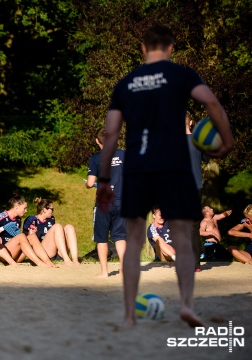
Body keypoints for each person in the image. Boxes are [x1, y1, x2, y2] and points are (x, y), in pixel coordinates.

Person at [96, 24, 234, 328]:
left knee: (133, 240)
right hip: (174, 167)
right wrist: (226, 141)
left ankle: (130, 312)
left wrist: (104, 180)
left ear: (144, 49)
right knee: (184, 239)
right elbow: (211, 103)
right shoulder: (181, 75)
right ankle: (186, 306)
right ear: (170, 48)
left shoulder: (126, 83)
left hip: (139, 166)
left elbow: (111, 134)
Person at [86, 128, 126, 277]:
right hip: (121, 201)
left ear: (97, 141)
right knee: (120, 237)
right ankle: (123, 270)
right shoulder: (123, 155)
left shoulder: (96, 158)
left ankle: (104, 272)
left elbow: (90, 183)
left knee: (101, 238)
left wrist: (87, 184)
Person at [0, 193, 54, 267]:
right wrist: (3, 228)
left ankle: (48, 261)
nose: (26, 211)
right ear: (16, 206)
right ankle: (39, 263)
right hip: (3, 252)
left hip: (15, 254)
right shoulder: (2, 216)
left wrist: (30, 233)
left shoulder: (18, 219)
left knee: (31, 236)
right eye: (24, 208)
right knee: (21, 236)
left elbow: (20, 237)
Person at [186, 112, 210, 272]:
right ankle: (195, 265)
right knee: (194, 226)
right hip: (195, 186)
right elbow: (207, 158)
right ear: (191, 122)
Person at [23, 198, 79, 266]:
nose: (53, 211)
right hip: (42, 252)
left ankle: (75, 260)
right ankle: (67, 260)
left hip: (55, 252)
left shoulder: (51, 219)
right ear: (44, 210)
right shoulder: (31, 220)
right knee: (57, 226)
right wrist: (30, 233)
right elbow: (24, 237)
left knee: (69, 227)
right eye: (51, 209)